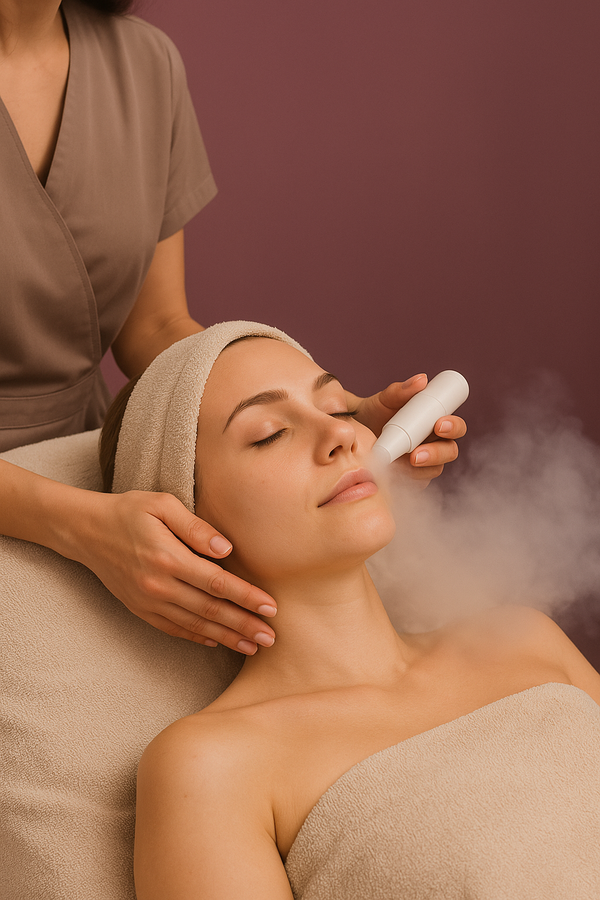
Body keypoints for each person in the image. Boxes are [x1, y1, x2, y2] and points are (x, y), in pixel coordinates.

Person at [0, 0, 467, 655]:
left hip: (95, 482)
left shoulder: (141, 64)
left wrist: (324, 417)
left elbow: (155, 326)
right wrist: (78, 526)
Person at [99, 322, 600, 899]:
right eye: (268, 435)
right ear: (181, 526)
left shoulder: (523, 638)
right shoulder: (210, 765)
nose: (341, 437)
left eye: (337, 407)